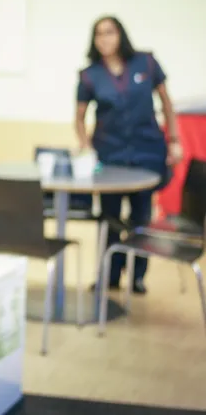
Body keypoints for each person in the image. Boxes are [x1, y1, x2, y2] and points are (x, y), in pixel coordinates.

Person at [75, 16, 183, 294]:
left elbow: (167, 102)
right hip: (110, 155)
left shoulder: (146, 63)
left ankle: (137, 276)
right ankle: (108, 275)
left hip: (147, 152)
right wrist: (86, 146)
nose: (104, 39)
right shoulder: (89, 75)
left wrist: (174, 140)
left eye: (109, 32)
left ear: (120, 35)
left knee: (141, 217)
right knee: (108, 218)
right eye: (98, 34)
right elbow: (79, 117)